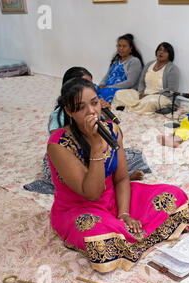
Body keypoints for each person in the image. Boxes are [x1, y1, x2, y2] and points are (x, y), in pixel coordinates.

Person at [47, 77, 189, 273]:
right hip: (80, 209)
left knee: (173, 196)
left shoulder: (112, 129)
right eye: (81, 107)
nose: (92, 111)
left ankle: (121, 226)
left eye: (94, 103)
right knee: (100, 238)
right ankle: (118, 230)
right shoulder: (58, 144)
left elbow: (122, 178)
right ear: (69, 111)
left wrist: (124, 213)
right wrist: (96, 146)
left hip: (114, 198)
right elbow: (91, 194)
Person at [23, 67, 150, 195]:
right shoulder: (58, 116)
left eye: (90, 85)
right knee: (84, 175)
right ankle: (112, 179)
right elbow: (60, 141)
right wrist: (93, 143)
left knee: (134, 155)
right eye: (81, 107)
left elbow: (104, 128)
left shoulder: (94, 108)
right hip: (74, 155)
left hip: (95, 147)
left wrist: (103, 111)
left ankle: (117, 179)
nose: (90, 110)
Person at [111, 42, 179, 114]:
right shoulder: (149, 64)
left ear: (170, 54)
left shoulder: (172, 69)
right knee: (119, 93)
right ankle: (134, 107)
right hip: (144, 94)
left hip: (161, 97)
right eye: (159, 50)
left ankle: (128, 108)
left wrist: (151, 95)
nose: (161, 52)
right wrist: (141, 92)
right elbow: (141, 82)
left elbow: (171, 90)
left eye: (165, 51)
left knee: (150, 101)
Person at [97, 33, 144, 104]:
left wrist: (109, 87)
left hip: (122, 90)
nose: (121, 48)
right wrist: (102, 84)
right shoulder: (116, 61)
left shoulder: (134, 61)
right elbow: (107, 75)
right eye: (119, 46)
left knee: (103, 94)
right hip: (107, 87)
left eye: (124, 46)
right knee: (92, 89)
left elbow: (130, 82)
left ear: (131, 48)